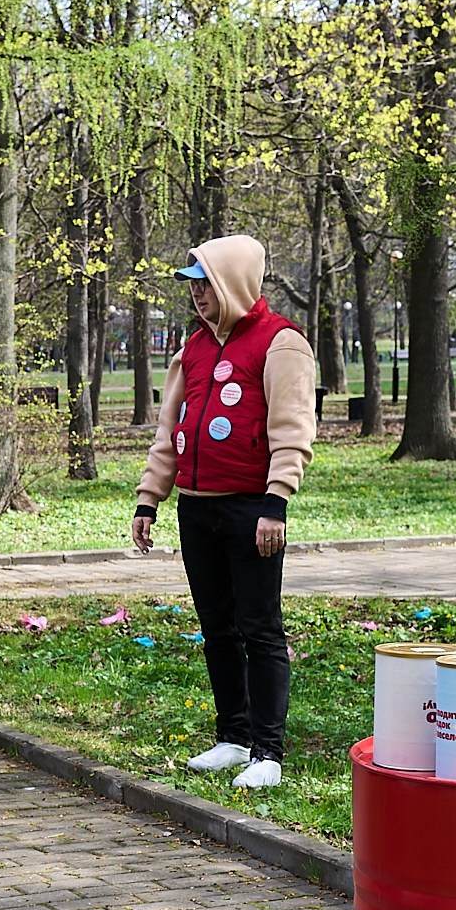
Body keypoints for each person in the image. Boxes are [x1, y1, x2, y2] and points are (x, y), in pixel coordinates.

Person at [129, 233, 319, 792]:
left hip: (252, 511)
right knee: (217, 628)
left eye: (205, 284)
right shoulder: (192, 348)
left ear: (233, 281)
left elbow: (293, 430)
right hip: (197, 510)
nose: (197, 296)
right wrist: (149, 497)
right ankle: (233, 737)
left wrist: (275, 502)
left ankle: (268, 748)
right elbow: (170, 432)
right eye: (192, 286)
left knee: (259, 628)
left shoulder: (281, 343)